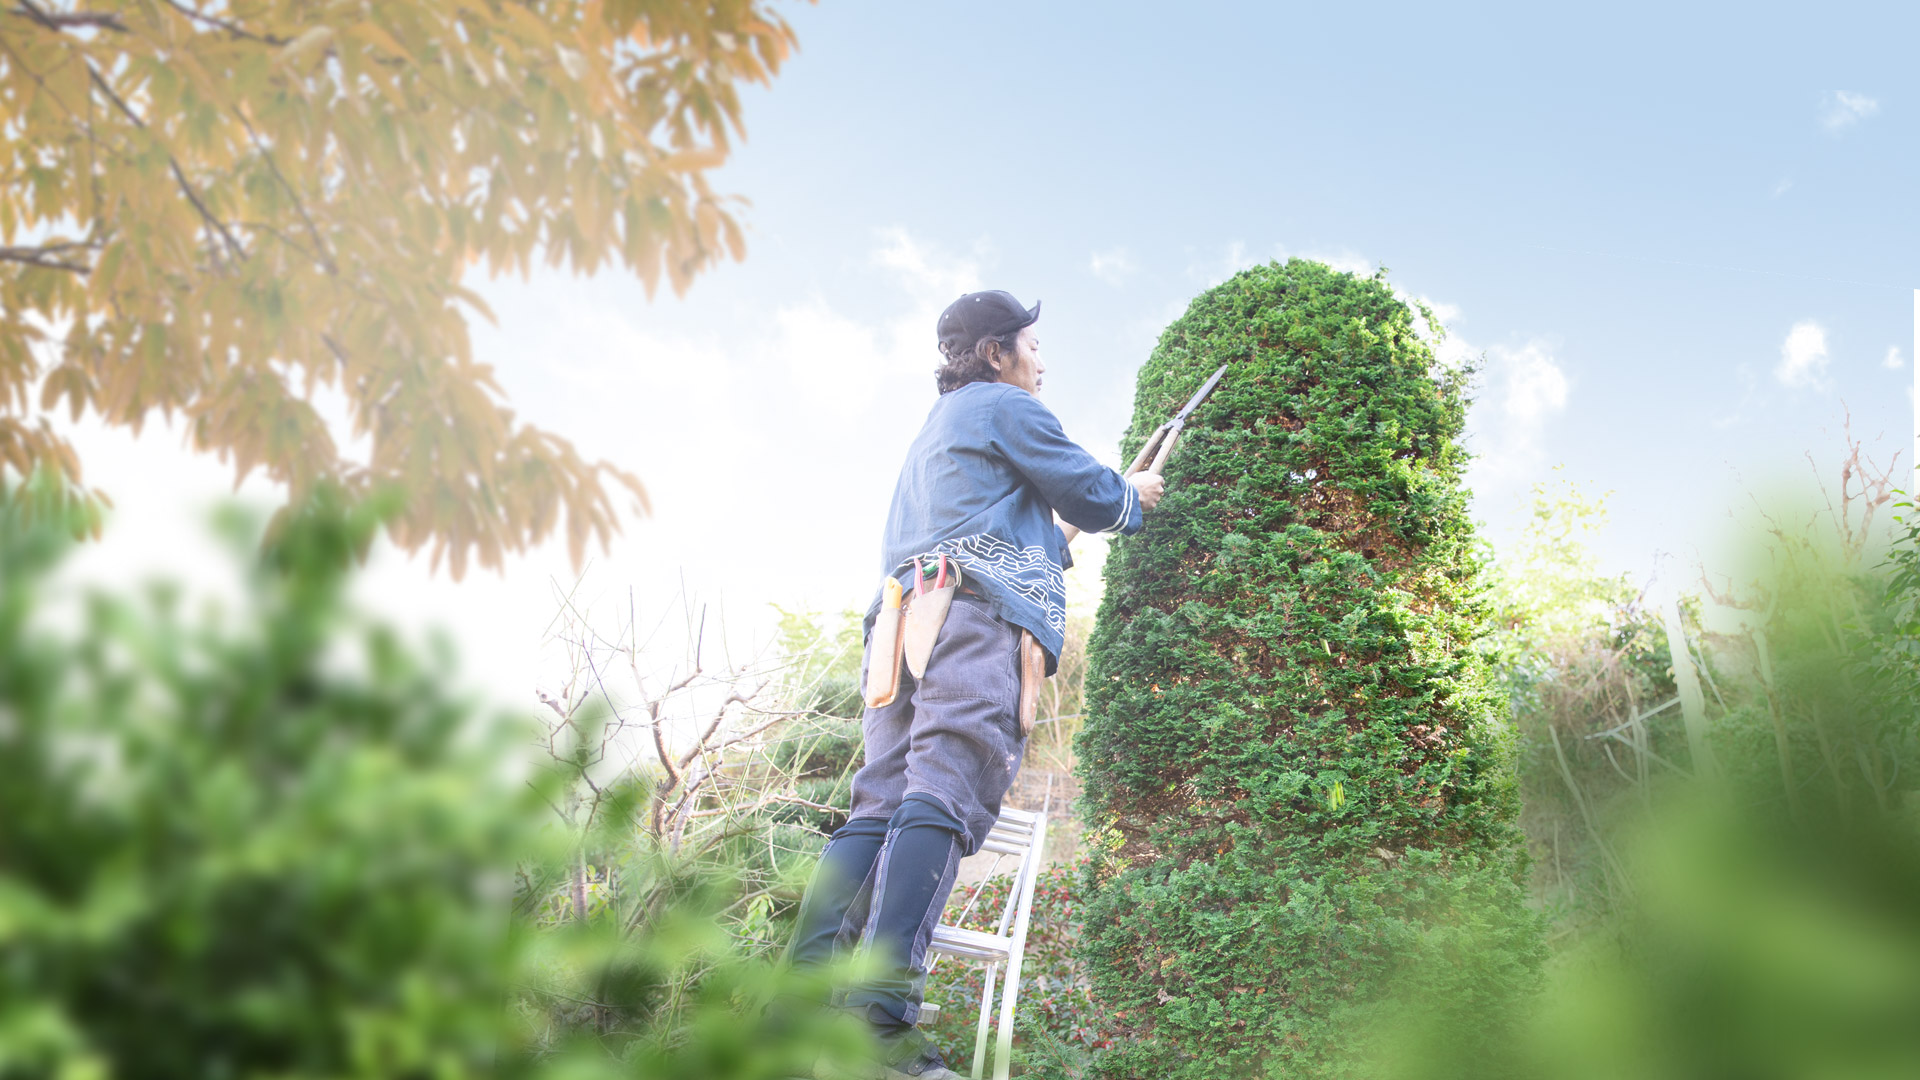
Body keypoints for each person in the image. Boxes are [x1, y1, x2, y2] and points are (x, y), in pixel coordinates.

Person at [784, 290, 1164, 1079]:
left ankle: (793, 1007)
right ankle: (881, 1026)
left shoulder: (940, 429)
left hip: (902, 619)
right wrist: (1132, 497)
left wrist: (1077, 524)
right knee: (943, 794)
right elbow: (1095, 494)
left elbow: (1017, 532)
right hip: (969, 623)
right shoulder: (1003, 405)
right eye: (1032, 345)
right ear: (996, 352)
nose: (1043, 362)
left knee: (881, 801)